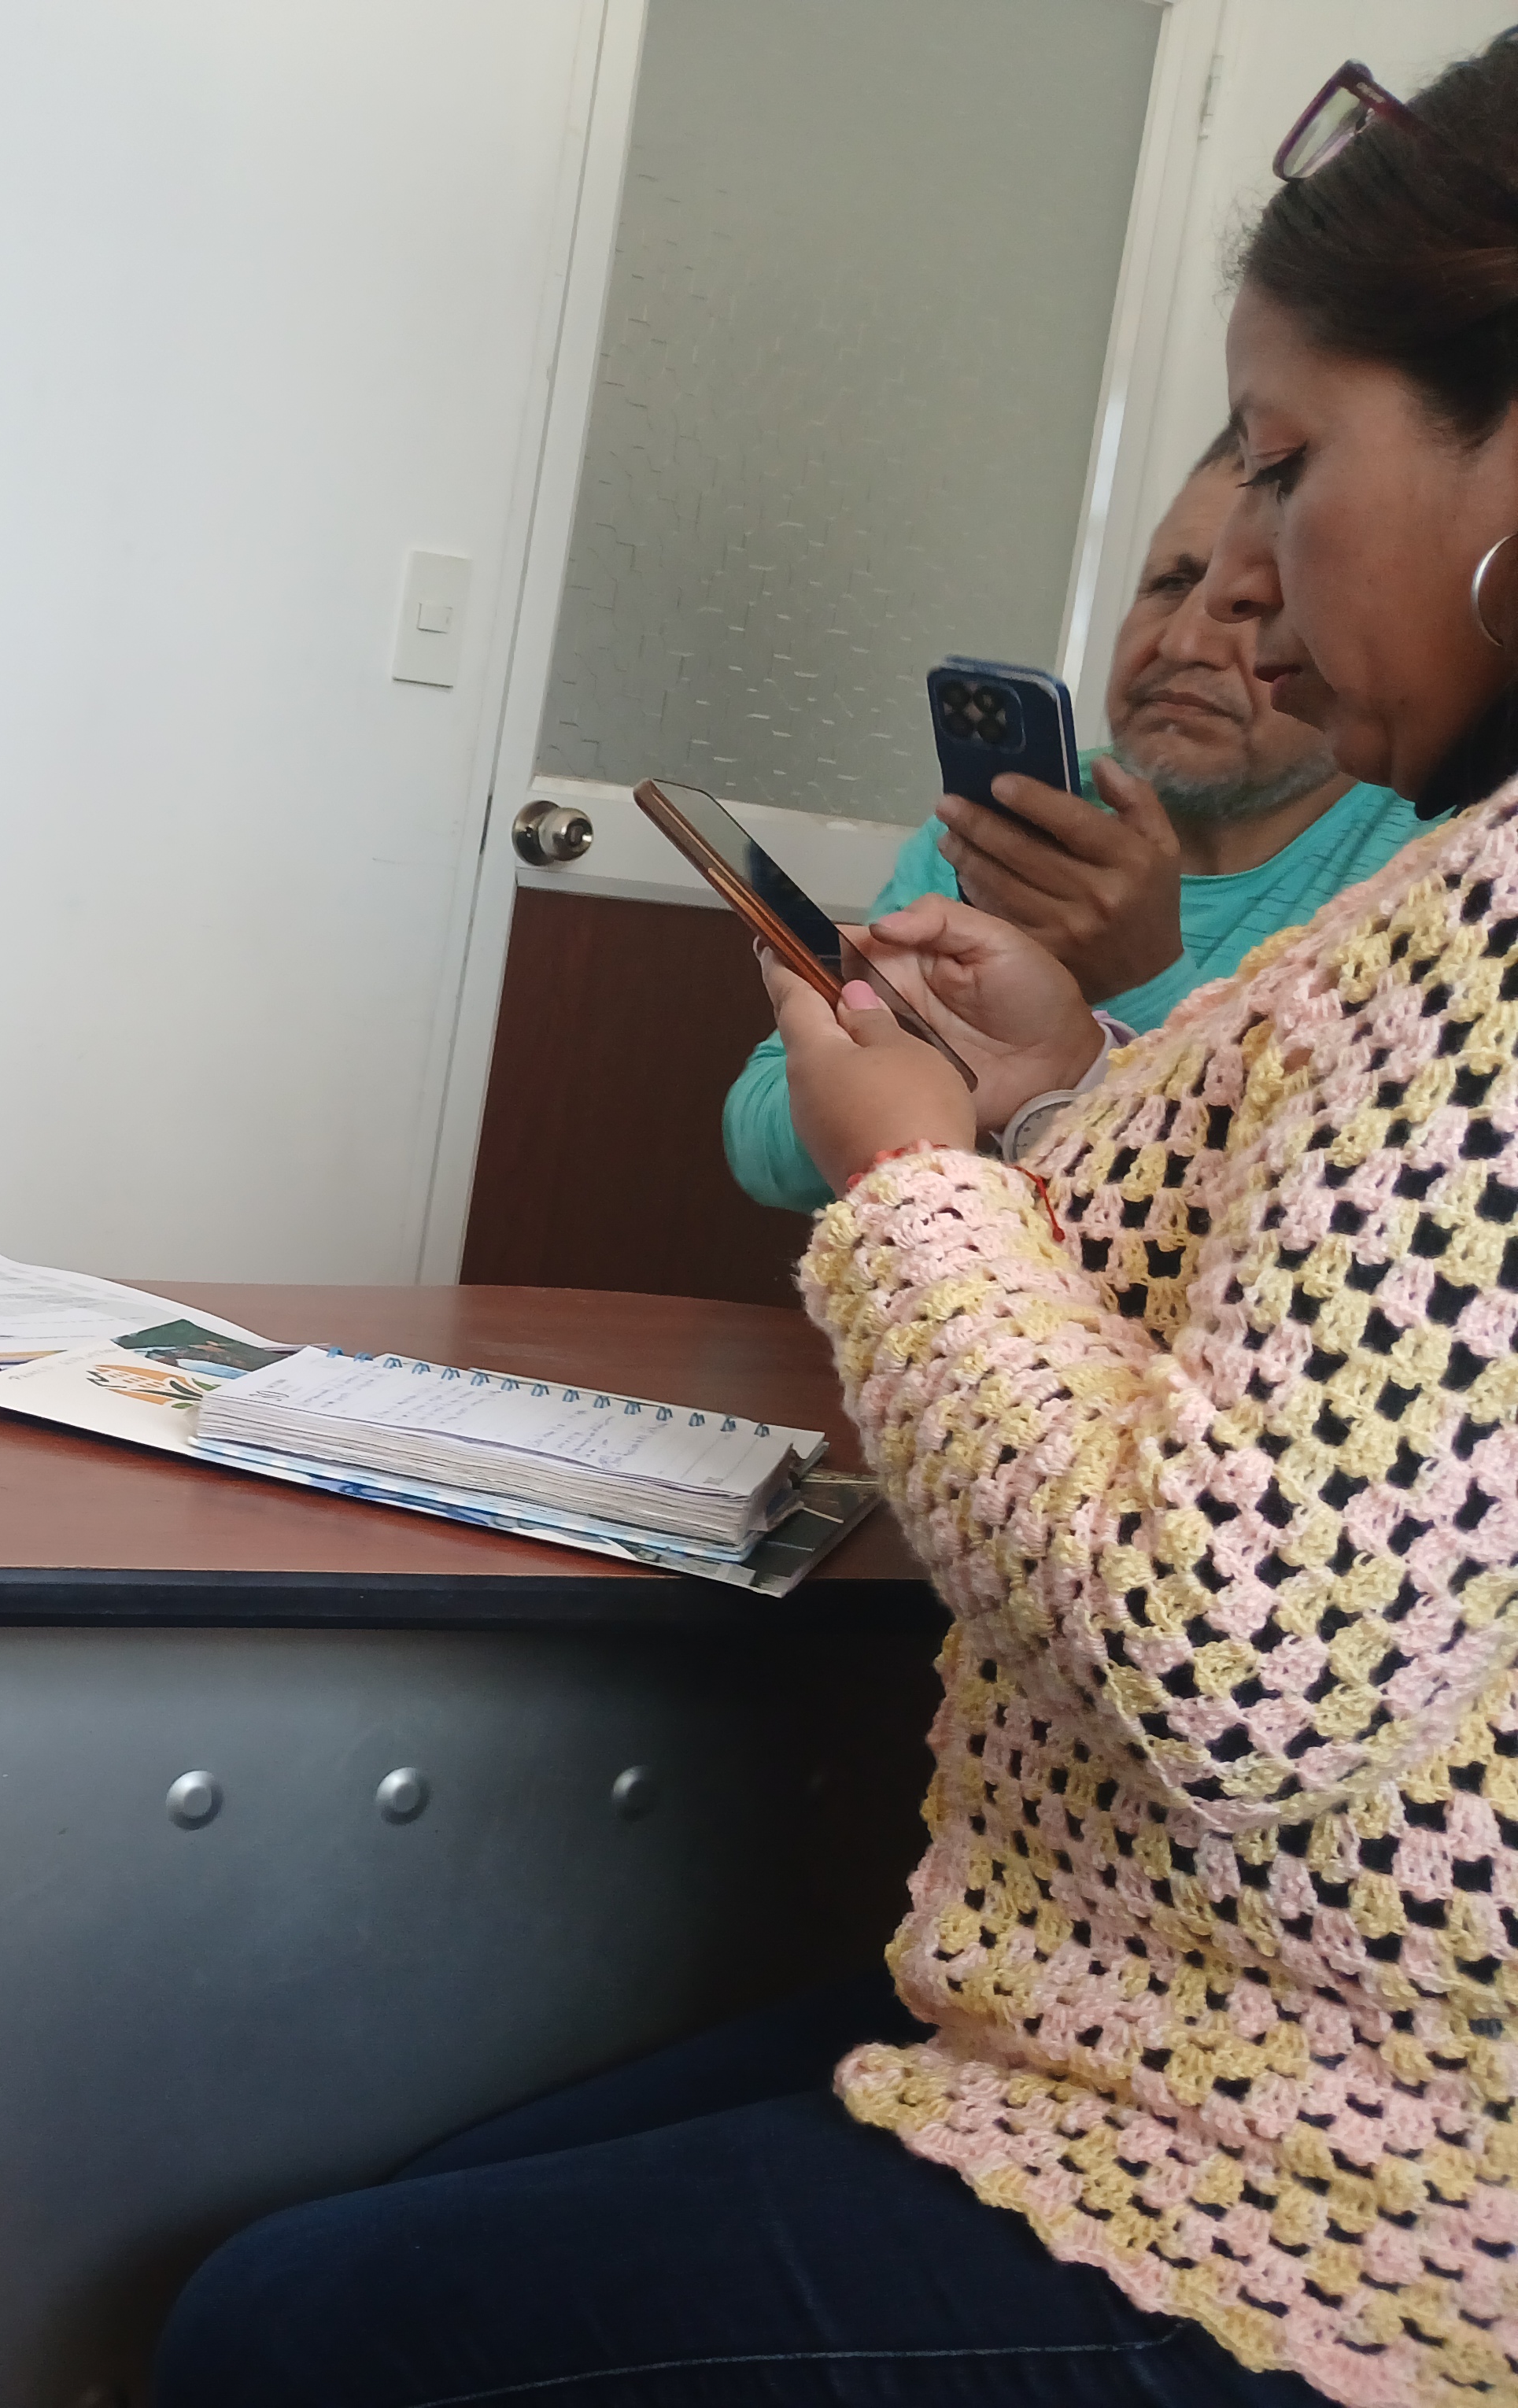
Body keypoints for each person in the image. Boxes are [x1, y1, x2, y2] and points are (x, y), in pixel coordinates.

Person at [161, 35, 1518, 2408]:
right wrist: (1058, 1096)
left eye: (1292, 465)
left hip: (1320, 2153)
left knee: (289, 2322)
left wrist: (915, 1173)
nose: (1258, 588)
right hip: (1194, 2021)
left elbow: (1232, 1652)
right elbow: (1365, 1401)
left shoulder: (1459, 931)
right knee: (376, 2234)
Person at [725, 437, 1416, 1213]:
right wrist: (926, 1054)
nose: (1184, 642)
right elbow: (758, 1143)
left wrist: (1142, 981)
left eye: (1258, 604)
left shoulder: (1432, 865)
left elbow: (1335, 1213)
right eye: (1170, 584)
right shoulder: (1018, 821)